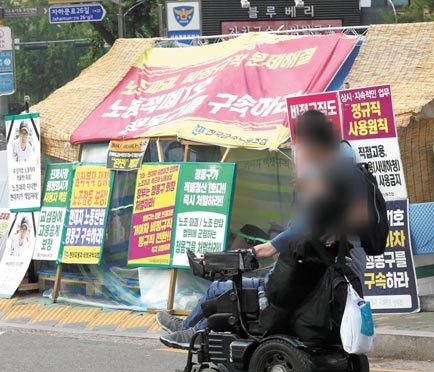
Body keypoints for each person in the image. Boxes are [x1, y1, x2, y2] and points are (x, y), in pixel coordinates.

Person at [158, 109, 369, 349]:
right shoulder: (347, 172)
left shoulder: (331, 177)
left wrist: (266, 248)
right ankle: (187, 328)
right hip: (328, 271)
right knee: (246, 282)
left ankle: (191, 333)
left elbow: (297, 231)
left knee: (222, 288)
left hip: (316, 277)